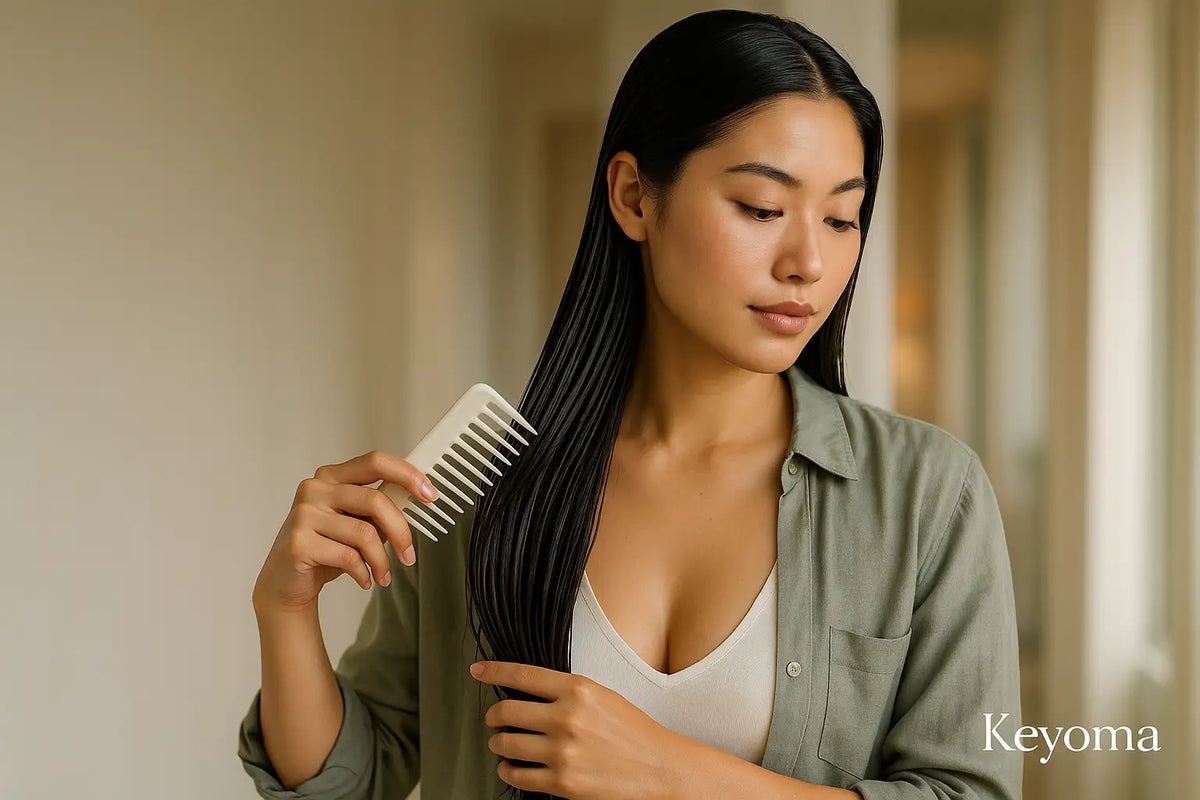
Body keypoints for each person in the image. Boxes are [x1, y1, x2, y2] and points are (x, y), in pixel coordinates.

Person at [237, 9, 1024, 800]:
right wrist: (285, 610)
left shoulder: (925, 495)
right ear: (634, 196)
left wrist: (674, 773)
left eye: (841, 218)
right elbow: (351, 781)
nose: (809, 262)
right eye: (760, 207)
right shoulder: (484, 483)